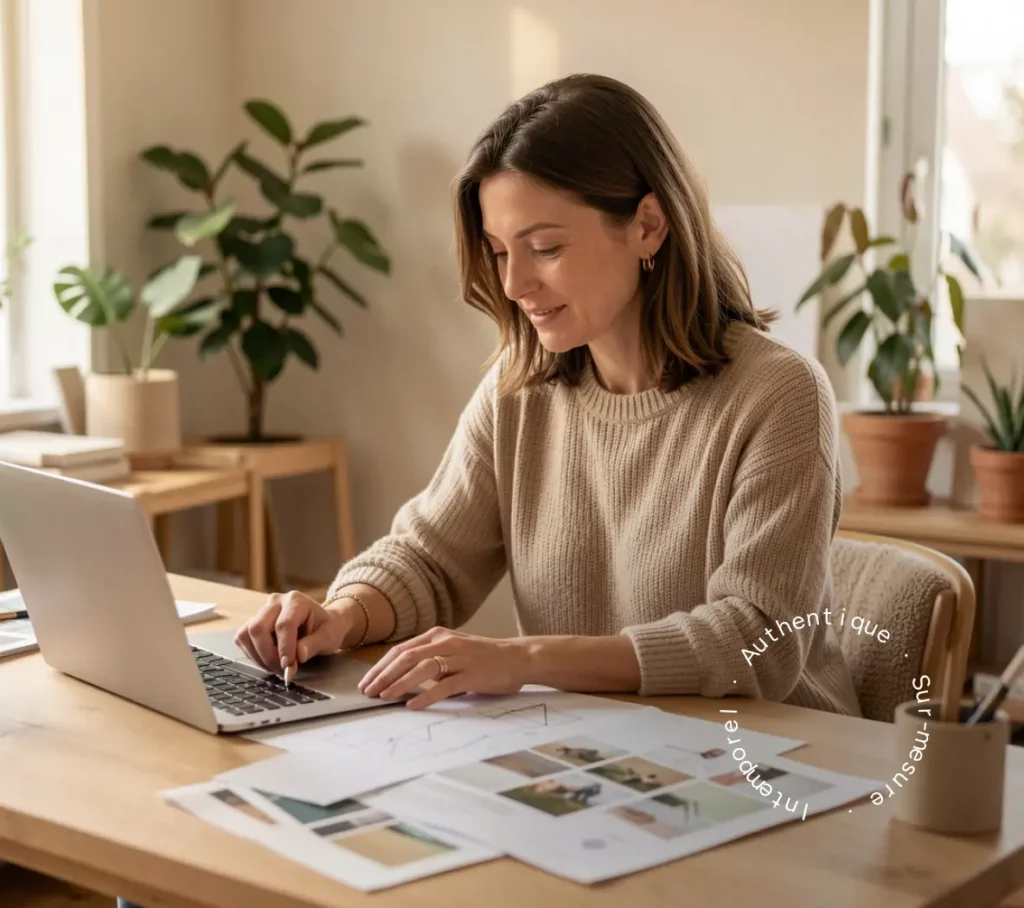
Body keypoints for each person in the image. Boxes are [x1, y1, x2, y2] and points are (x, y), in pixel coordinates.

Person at [234, 72, 861, 719]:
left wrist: (524, 659)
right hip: (603, 751)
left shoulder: (780, 395)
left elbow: (756, 641)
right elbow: (430, 556)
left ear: (648, 225)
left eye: (545, 248)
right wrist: (341, 616)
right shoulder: (521, 388)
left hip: (776, 758)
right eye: (500, 252)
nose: (514, 283)